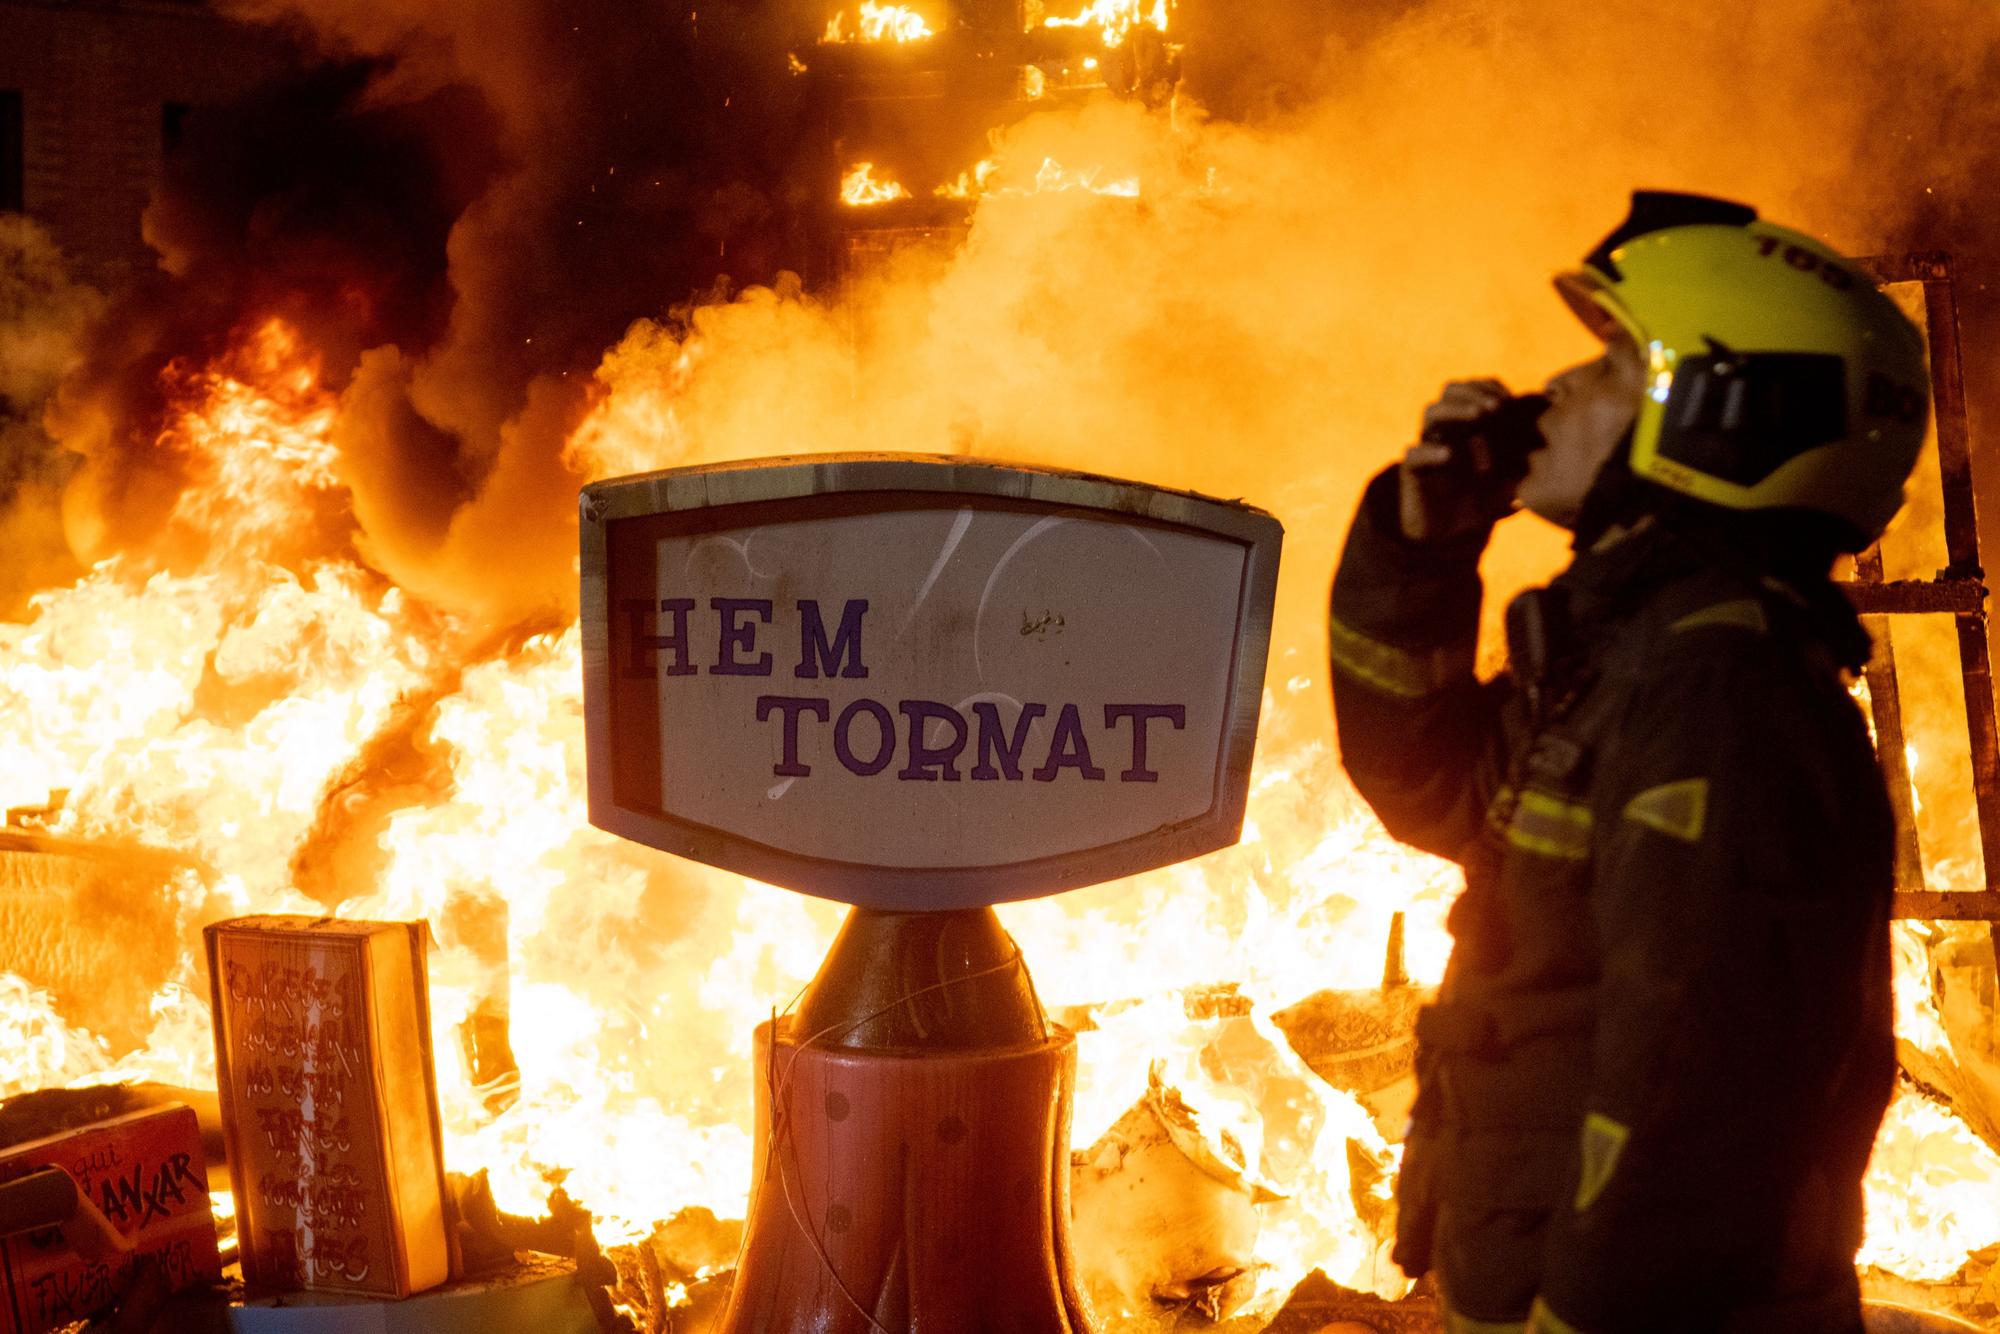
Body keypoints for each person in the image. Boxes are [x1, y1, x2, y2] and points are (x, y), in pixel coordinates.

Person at [1327, 191, 1932, 1333]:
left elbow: (1698, 1081)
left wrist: (1588, 1312)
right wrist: (1418, 543)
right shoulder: (1638, 650)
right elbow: (1433, 789)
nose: (1555, 388)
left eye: (1609, 368)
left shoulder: (1715, 689)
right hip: (1542, 1269)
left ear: (1719, 416)